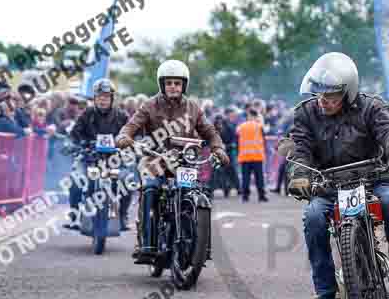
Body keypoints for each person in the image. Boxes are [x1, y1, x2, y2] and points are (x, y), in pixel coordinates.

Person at [286, 52, 389, 299]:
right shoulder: (306, 114)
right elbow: (299, 147)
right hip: (329, 185)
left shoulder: (371, 107)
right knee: (313, 217)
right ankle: (325, 291)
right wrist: (299, 174)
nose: (323, 101)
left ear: (348, 92)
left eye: (331, 96)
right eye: (320, 95)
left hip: (371, 180)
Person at [115, 59, 230, 264]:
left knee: (199, 192)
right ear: (162, 85)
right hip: (155, 159)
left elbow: (210, 132)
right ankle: (147, 243)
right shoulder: (149, 106)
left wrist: (218, 147)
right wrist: (125, 137)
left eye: (177, 83)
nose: (173, 87)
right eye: (169, 83)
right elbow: (131, 126)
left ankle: (202, 245)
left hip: (185, 162)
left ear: (183, 85)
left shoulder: (193, 108)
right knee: (150, 188)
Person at [68, 79, 133, 231]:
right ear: (95, 98)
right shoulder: (87, 114)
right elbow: (74, 134)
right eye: (100, 96)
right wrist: (74, 144)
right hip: (89, 158)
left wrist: (129, 145)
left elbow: (132, 134)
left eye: (106, 96)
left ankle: (123, 216)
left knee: (128, 181)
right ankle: (75, 216)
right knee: (76, 180)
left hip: (114, 160)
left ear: (112, 98)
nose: (103, 100)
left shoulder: (121, 116)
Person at [236, 107, 268, 203]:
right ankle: (261, 196)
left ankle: (245, 196)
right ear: (255, 116)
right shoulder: (259, 126)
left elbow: (236, 136)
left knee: (245, 178)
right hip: (257, 156)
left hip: (245, 156)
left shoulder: (241, 126)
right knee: (259, 178)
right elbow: (264, 137)